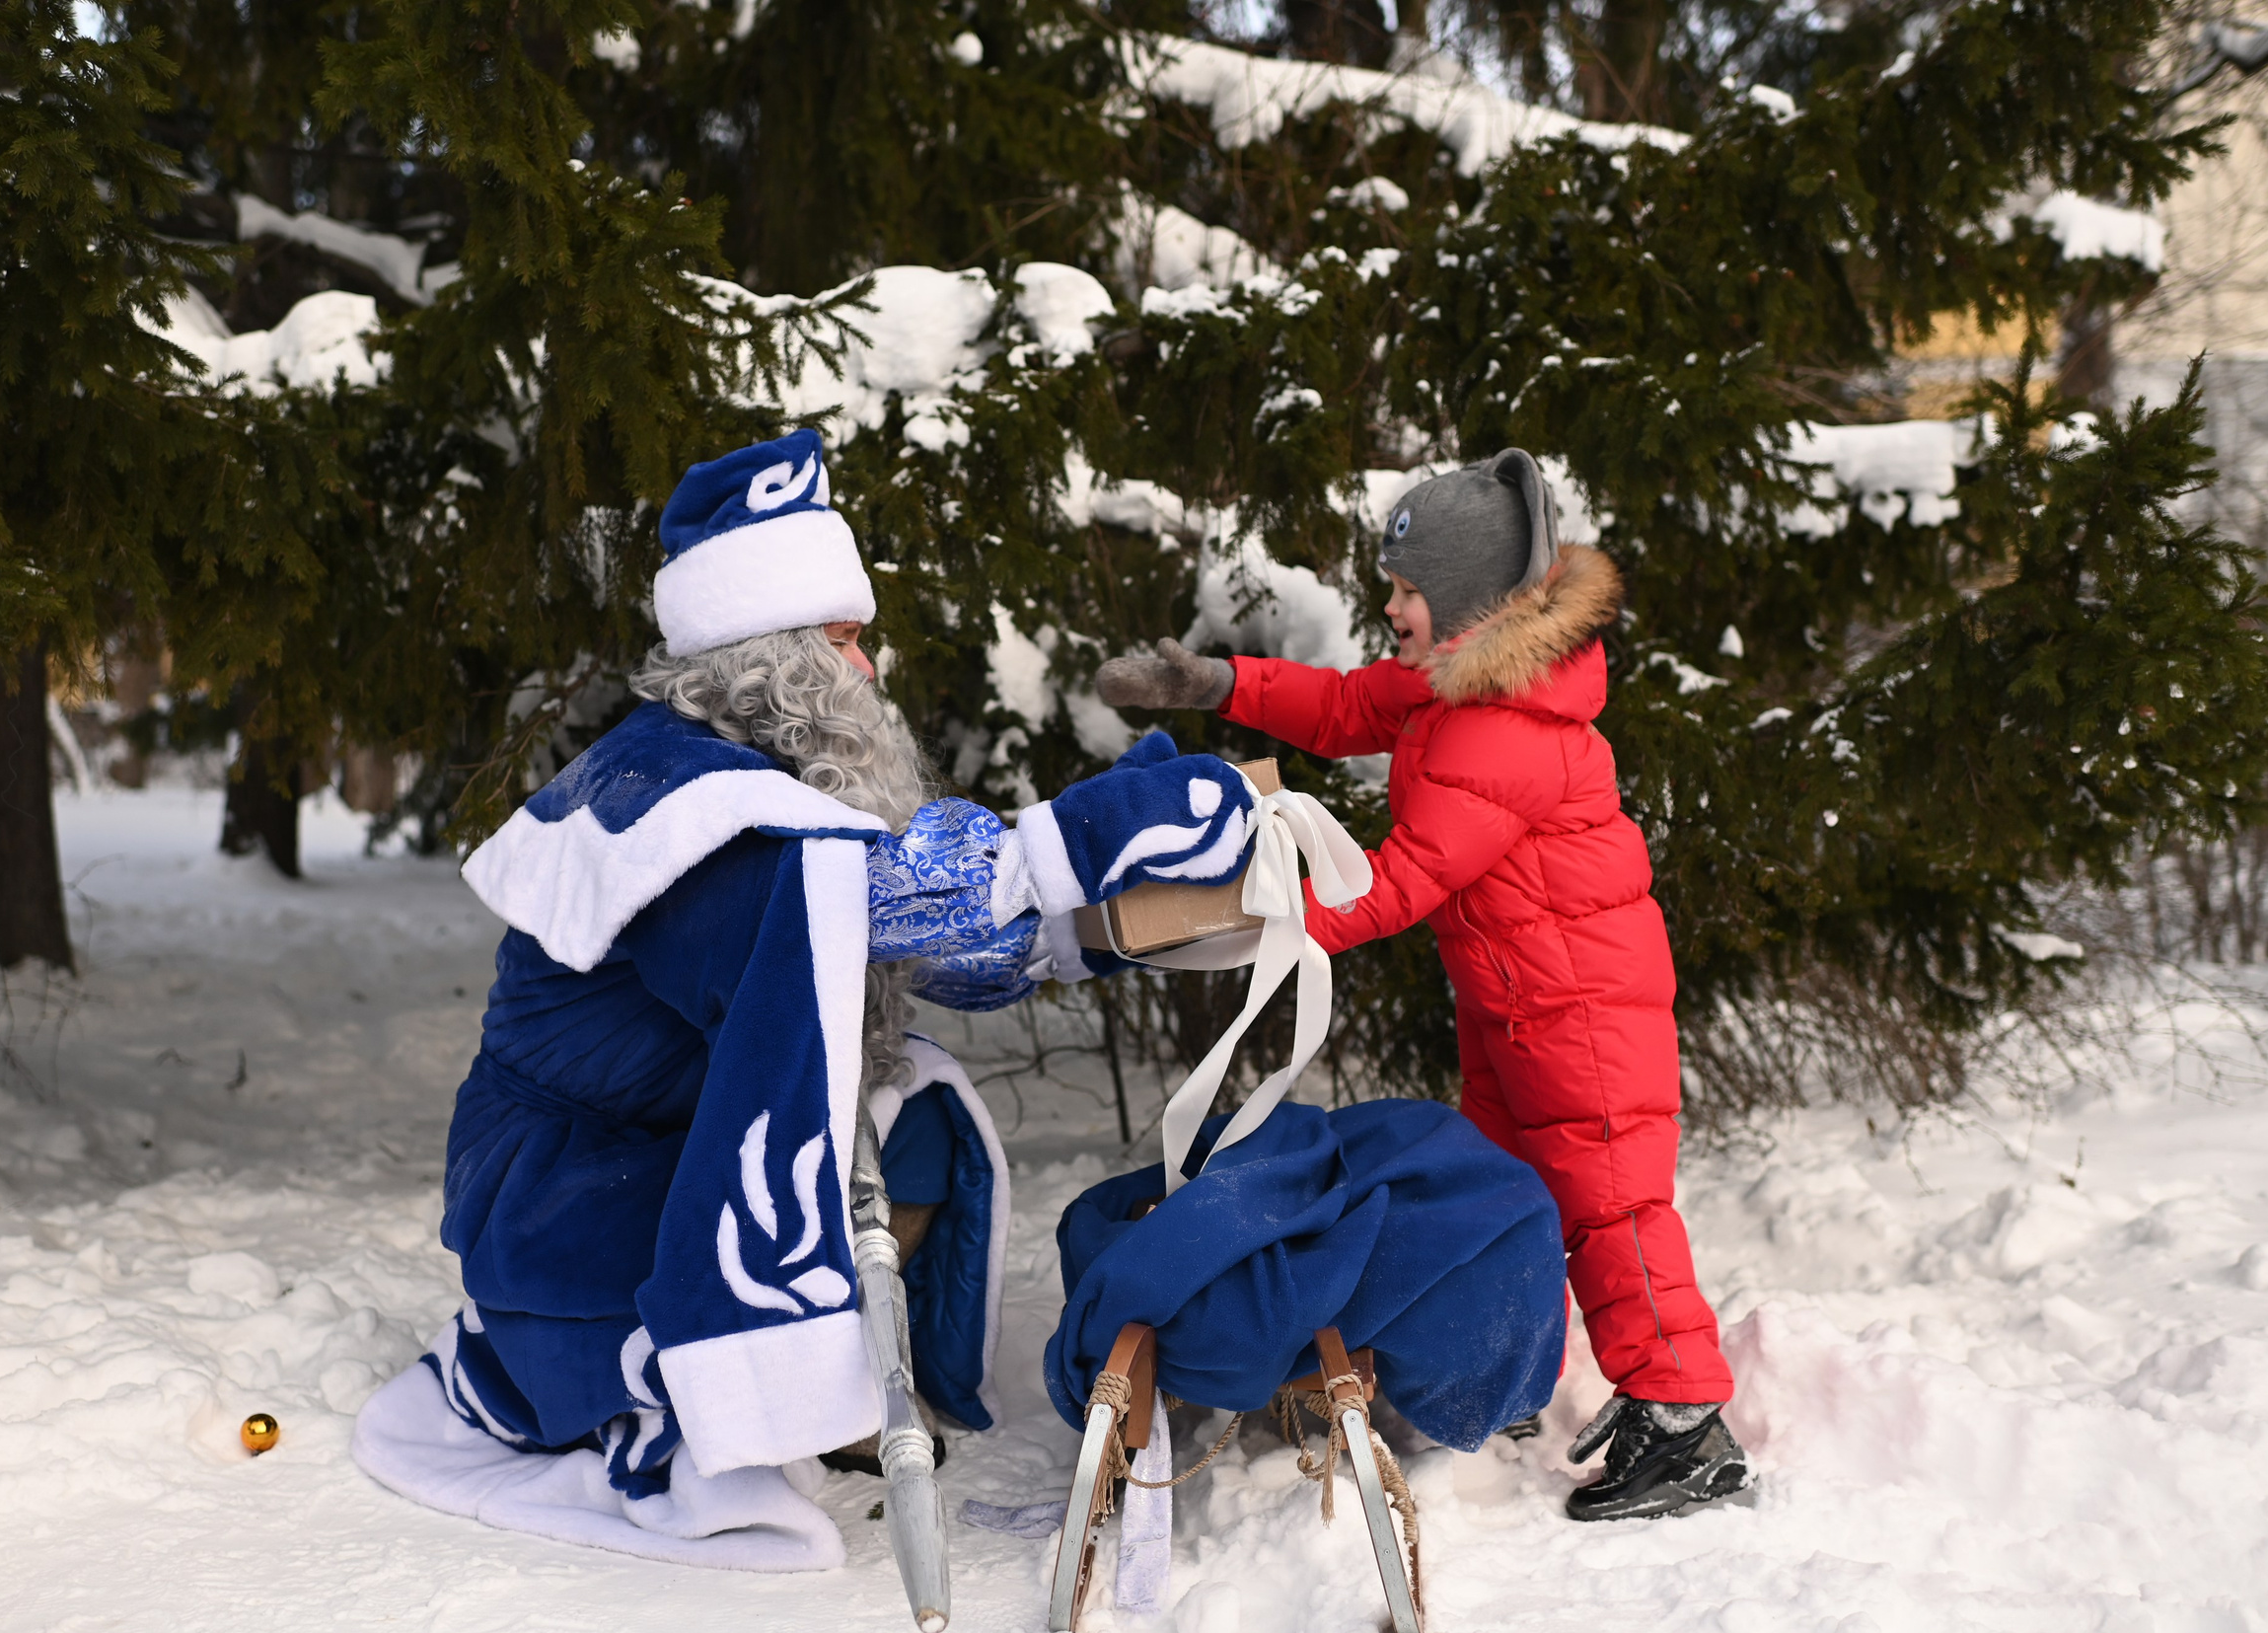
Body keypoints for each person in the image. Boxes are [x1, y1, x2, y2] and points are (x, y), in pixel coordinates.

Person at [351, 428, 1262, 1568]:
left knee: (914, 1117)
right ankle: (745, 1390)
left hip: (646, 1140)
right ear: (767, 655)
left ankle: (838, 1381)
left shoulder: (748, 778)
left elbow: (927, 945)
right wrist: (1080, 839)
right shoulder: (696, 803)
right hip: (568, 1191)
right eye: (845, 640)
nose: (870, 669)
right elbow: (890, 895)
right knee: (826, 1164)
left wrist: (1111, 906)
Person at [1094, 450, 1749, 1521]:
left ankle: (1684, 1420)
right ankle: (1510, 1376)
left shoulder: (1505, 727)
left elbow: (1397, 882)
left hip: (1582, 1009)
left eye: (1404, 590)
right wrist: (1218, 686)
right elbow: (1352, 704)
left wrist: (1252, 914)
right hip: (1516, 1002)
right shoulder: (1466, 678)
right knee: (1502, 1188)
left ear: (1465, 605)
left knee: (1610, 1207)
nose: (1387, 606)